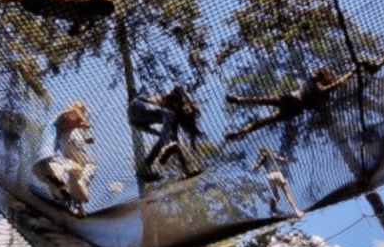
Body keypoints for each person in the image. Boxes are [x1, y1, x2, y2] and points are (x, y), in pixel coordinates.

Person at [224, 65, 368, 140]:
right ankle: (239, 117)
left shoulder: (322, 89)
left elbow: (331, 86)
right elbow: (330, 85)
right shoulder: (317, 82)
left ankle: (239, 125)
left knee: (265, 112)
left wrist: (350, 73)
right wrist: (350, 73)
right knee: (264, 109)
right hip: (295, 105)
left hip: (295, 103)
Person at [32, 102, 96, 216]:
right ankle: (78, 187)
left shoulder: (57, 126)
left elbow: (69, 127)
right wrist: (85, 123)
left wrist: (86, 140)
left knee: (69, 170)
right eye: (83, 111)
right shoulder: (64, 115)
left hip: (59, 151)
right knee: (90, 165)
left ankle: (64, 197)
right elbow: (71, 115)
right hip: (67, 145)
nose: (83, 114)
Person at [128, 86, 202, 179]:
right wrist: (191, 105)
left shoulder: (173, 119)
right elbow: (179, 88)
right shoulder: (175, 98)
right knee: (167, 119)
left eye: (187, 111)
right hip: (138, 106)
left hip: (138, 121)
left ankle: (145, 168)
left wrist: (186, 171)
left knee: (170, 137)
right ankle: (148, 165)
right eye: (187, 108)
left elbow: (175, 141)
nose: (186, 109)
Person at [252, 147, 302, 218]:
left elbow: (255, 167)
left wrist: (255, 165)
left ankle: (273, 208)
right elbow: (282, 159)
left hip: (270, 176)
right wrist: (287, 159)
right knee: (287, 193)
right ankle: (296, 211)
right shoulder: (273, 155)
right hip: (278, 174)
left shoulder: (262, 160)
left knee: (276, 197)